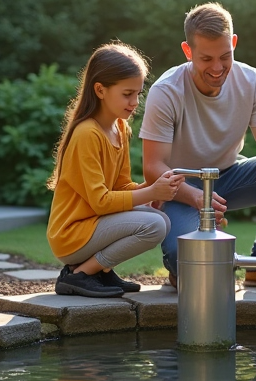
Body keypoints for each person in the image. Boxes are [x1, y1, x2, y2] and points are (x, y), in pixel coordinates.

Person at [140, 3, 256, 288]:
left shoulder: (251, 80)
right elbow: (153, 167)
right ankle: (181, 269)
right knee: (194, 265)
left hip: (229, 176)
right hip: (181, 188)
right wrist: (197, 199)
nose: (217, 68)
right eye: (206, 58)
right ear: (188, 51)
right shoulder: (166, 91)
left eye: (225, 56)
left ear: (234, 43)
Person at [47, 43, 185, 298]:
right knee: (154, 225)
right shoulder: (87, 133)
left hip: (94, 226)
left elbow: (120, 187)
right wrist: (151, 191)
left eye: (138, 94)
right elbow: (100, 201)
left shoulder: (120, 128)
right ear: (100, 89)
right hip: (72, 234)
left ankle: (101, 270)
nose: (134, 102)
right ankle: (79, 275)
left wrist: (152, 189)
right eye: (127, 94)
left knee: (160, 218)